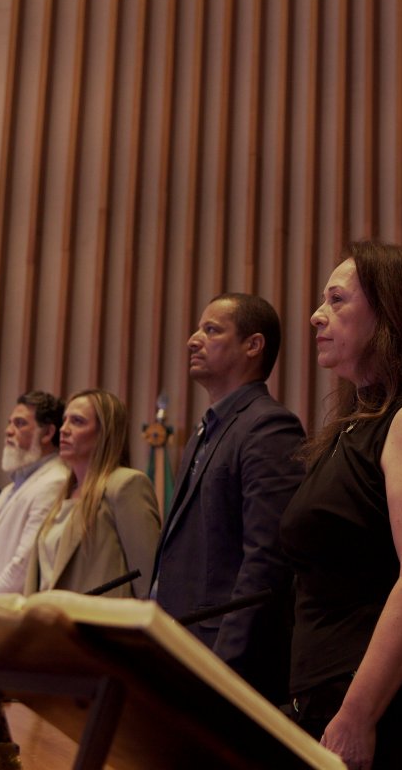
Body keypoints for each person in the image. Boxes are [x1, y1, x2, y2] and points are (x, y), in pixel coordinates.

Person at [279, 242, 402, 769]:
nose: (316, 315)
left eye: (337, 299)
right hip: (328, 698)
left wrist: (357, 714)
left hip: (393, 712)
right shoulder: (351, 429)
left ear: (389, 314)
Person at [151, 293, 305, 703]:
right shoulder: (206, 431)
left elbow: (266, 562)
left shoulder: (269, 427)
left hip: (224, 663)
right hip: (178, 647)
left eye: (211, 330)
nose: (192, 339)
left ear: (252, 346)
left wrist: (223, 666)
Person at [26, 389, 161, 598]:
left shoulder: (126, 485)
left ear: (104, 433)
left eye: (77, 422)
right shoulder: (64, 494)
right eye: (65, 420)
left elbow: (149, 582)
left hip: (99, 627)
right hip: (50, 626)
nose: (64, 430)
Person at [0, 391, 70, 597]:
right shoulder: (9, 490)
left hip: (6, 616)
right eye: (10, 423)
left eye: (19, 424)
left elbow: (23, 565)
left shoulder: (55, 482)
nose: (8, 431)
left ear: (47, 433)